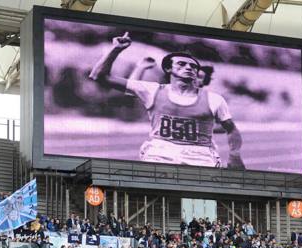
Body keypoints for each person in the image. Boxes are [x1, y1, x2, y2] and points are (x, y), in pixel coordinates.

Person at [89, 32, 244, 169]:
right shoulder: (153, 90)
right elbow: (100, 77)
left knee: (199, 201)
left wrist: (234, 155)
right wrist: (116, 49)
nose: (189, 68)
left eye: (193, 66)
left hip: (199, 156)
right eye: (182, 64)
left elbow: (231, 128)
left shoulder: (214, 99)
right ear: (169, 69)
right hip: (160, 153)